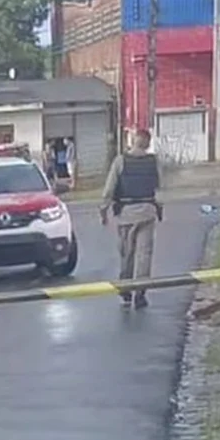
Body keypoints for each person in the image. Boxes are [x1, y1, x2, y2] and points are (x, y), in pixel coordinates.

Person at [99, 129, 162, 309]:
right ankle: (140, 292)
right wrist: (159, 209)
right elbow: (159, 188)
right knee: (144, 255)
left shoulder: (120, 161)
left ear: (133, 141)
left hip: (126, 213)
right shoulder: (154, 161)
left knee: (127, 253)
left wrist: (103, 211)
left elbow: (109, 190)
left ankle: (125, 288)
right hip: (148, 212)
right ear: (148, 144)